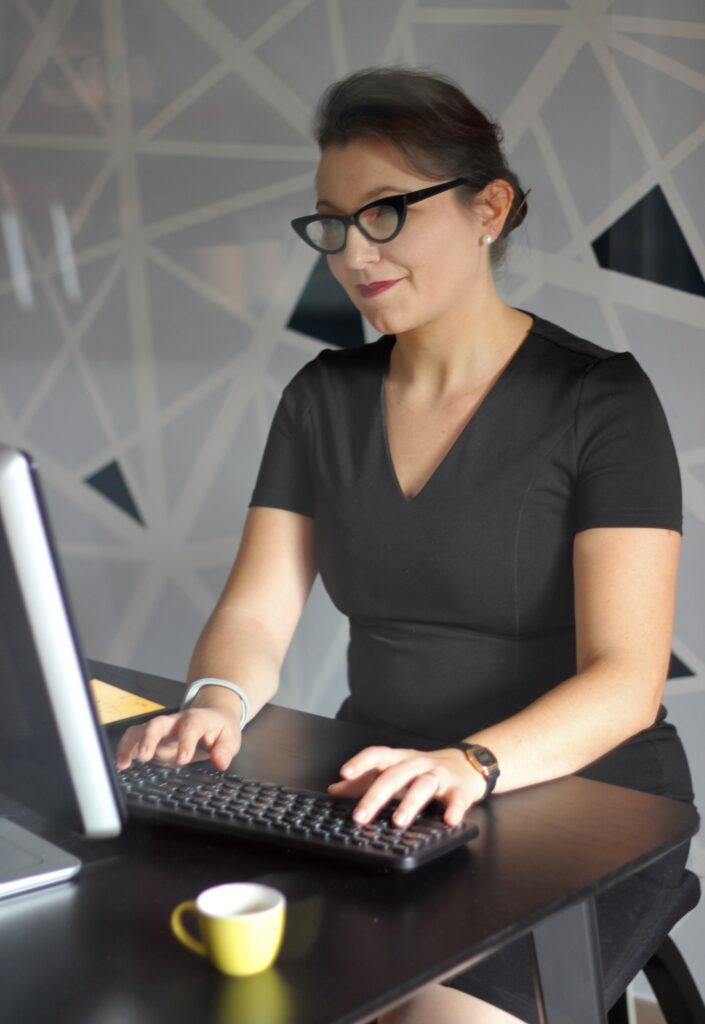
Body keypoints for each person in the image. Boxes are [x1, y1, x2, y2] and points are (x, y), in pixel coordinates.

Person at [117, 67, 695, 1023]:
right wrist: (214, 700)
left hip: (582, 800)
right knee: (211, 979)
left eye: (384, 212)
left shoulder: (600, 401)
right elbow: (256, 612)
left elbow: (626, 680)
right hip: (382, 787)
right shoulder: (322, 397)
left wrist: (468, 764)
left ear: (487, 208)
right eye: (332, 223)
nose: (353, 253)